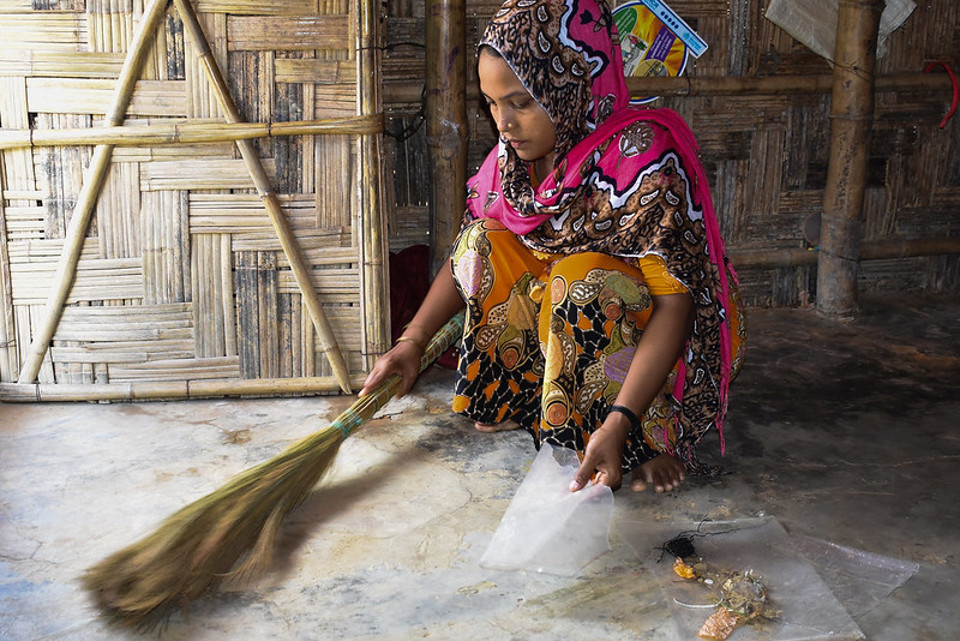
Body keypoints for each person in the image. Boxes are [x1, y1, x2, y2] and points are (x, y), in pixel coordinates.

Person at [361, 0, 745, 494]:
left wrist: (620, 421)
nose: (504, 122)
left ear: (573, 84)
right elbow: (468, 255)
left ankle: (642, 438)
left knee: (578, 280)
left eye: (521, 102)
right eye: (492, 103)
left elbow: (677, 306)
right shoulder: (513, 162)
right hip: (569, 322)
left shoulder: (642, 161)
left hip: (658, 332)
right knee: (484, 242)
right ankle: (529, 401)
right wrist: (411, 343)